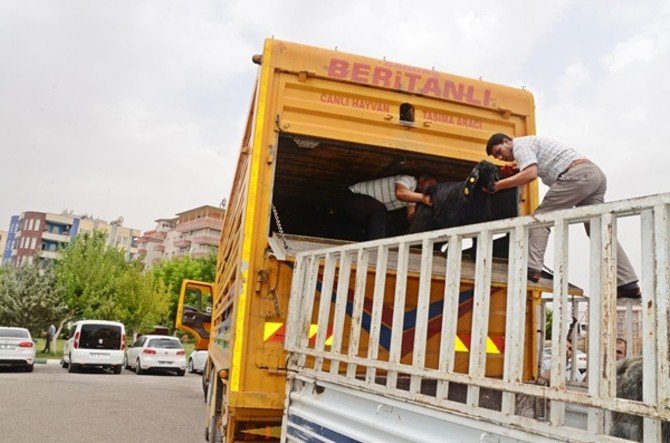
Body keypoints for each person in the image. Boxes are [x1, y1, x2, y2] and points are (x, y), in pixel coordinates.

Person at [485, 133, 641, 298]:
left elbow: (530, 174)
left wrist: (498, 186)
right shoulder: (528, 146)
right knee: (598, 229)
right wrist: (517, 168)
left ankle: (531, 268)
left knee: (541, 217)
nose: (501, 157)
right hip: (594, 175)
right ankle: (628, 283)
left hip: (576, 175)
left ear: (507, 141)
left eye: (499, 151)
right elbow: (532, 167)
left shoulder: (520, 145)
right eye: (497, 156)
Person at [344, 173, 436, 240]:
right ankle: (377, 246)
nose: (431, 189)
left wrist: (428, 218)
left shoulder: (413, 198)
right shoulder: (408, 179)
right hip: (353, 195)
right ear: (421, 179)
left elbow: (411, 218)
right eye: (431, 185)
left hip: (362, 210)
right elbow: (400, 193)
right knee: (380, 210)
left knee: (386, 220)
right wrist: (423, 198)